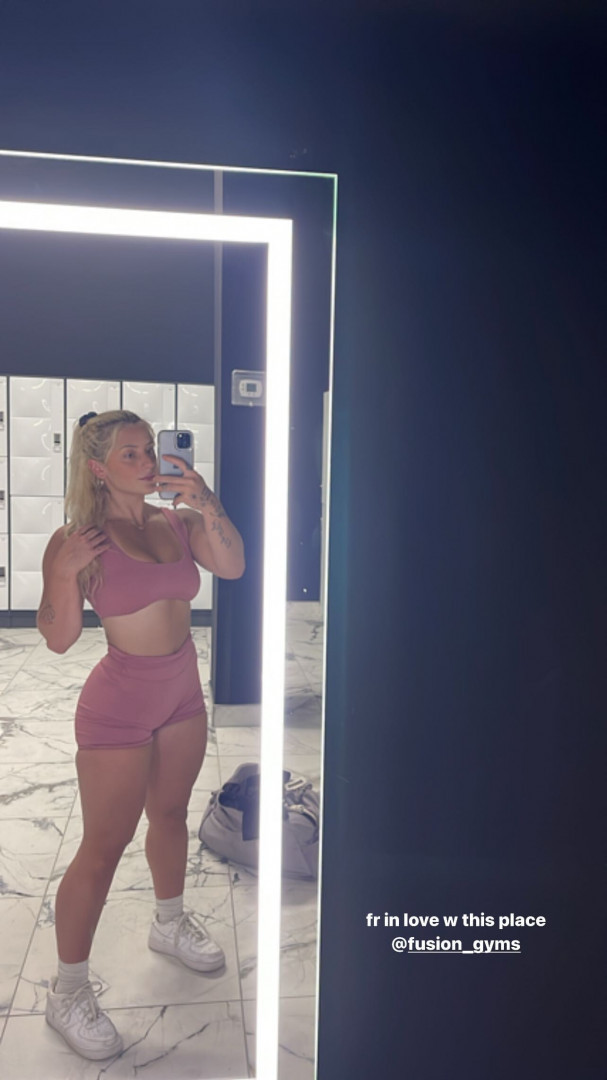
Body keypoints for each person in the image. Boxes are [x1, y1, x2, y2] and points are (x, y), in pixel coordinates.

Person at [36, 409, 245, 1061]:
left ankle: (169, 922)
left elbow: (233, 566)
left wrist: (205, 500)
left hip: (182, 694)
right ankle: (68, 991)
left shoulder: (176, 522)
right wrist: (64, 573)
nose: (148, 461)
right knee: (103, 848)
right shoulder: (77, 537)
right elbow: (58, 638)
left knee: (171, 815)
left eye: (150, 449)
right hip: (119, 707)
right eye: (131, 453)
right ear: (98, 467)